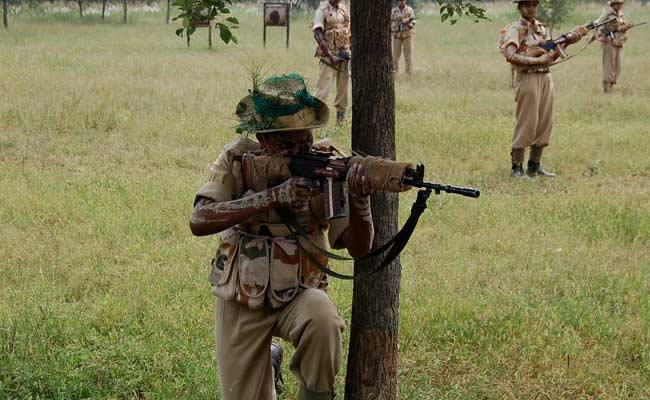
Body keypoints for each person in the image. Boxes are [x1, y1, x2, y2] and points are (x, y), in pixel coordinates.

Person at [190, 73, 374, 400]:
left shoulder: (327, 166)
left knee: (324, 319)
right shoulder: (236, 159)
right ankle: (270, 363)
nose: (296, 150)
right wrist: (272, 197)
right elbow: (199, 220)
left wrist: (360, 200)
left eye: (304, 140)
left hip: (301, 291)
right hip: (241, 295)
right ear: (262, 139)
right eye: (285, 142)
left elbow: (358, 248)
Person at [499, 0, 586, 178]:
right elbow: (510, 55)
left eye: (534, 5)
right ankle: (516, 167)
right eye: (527, 5)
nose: (531, 9)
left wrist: (569, 41)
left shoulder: (541, 29)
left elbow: (549, 57)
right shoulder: (515, 29)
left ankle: (535, 165)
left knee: (544, 122)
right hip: (527, 78)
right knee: (527, 122)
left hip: (545, 77)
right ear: (520, 7)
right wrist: (536, 61)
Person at [311, 0, 351, 125]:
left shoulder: (343, 9)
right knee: (323, 89)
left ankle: (341, 119)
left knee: (343, 90)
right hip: (328, 56)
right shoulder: (322, 10)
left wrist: (349, 50)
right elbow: (317, 35)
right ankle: (315, 120)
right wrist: (331, 55)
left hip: (343, 53)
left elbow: (349, 30)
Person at [595, 0, 629, 93]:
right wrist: (597, 35)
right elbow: (597, 23)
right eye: (617, 4)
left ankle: (612, 85)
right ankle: (607, 87)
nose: (619, 5)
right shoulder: (607, 14)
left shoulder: (621, 15)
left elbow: (622, 27)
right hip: (609, 42)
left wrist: (625, 28)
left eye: (620, 4)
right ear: (613, 5)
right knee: (609, 66)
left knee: (618, 66)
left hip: (619, 42)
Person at [391, 0, 416, 78]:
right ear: (398, 1)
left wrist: (409, 24)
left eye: (403, 0)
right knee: (395, 56)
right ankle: (394, 74)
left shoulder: (410, 10)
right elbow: (390, 21)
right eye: (400, 0)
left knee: (408, 56)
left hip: (407, 35)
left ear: (405, 1)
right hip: (396, 35)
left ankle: (408, 74)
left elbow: (413, 21)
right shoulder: (393, 11)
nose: (401, 2)